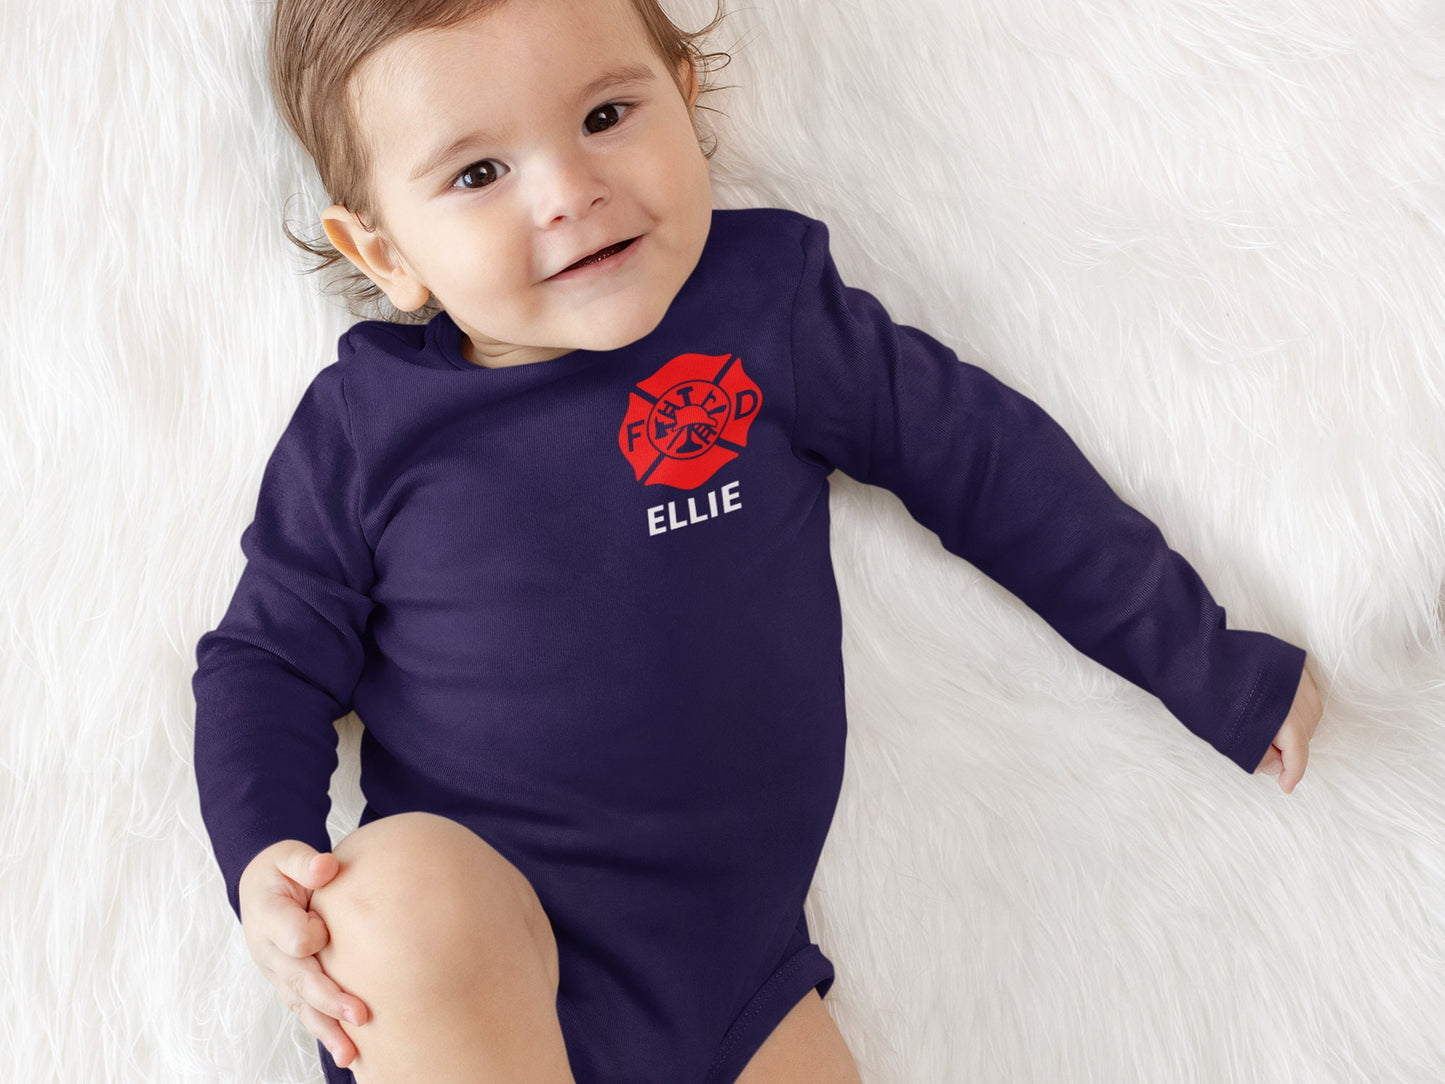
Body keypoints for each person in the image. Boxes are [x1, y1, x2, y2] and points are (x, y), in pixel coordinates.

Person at [191, 0, 1326, 1080]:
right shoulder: (369, 427)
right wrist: (266, 857)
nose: (569, 192)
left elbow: (989, 464)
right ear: (385, 250)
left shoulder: (764, 311)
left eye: (604, 117)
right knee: (391, 902)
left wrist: (1200, 656)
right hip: (480, 951)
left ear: (684, 98)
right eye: (480, 173)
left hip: (734, 978)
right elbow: (266, 661)